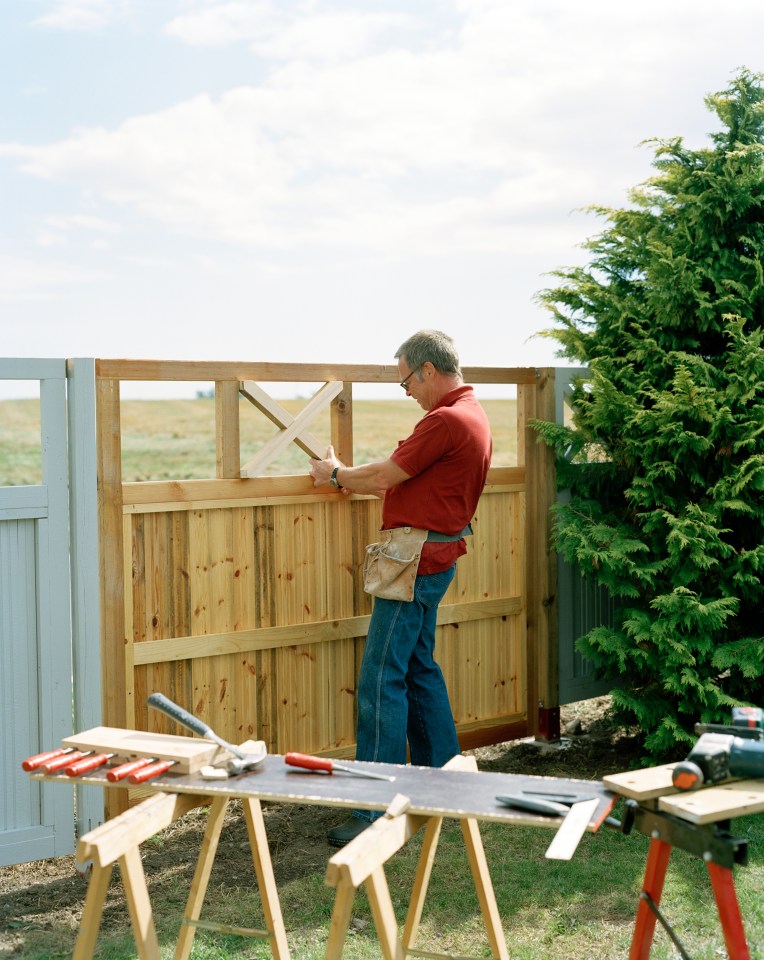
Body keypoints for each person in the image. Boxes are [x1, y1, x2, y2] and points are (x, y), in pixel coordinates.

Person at [309, 329, 492, 846]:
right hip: (435, 557)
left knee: (380, 678)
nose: (406, 390)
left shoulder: (446, 420)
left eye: (407, 379)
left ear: (429, 370)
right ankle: (443, 787)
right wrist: (346, 473)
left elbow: (384, 477)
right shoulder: (472, 413)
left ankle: (375, 810)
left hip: (413, 562)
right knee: (417, 667)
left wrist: (337, 474)